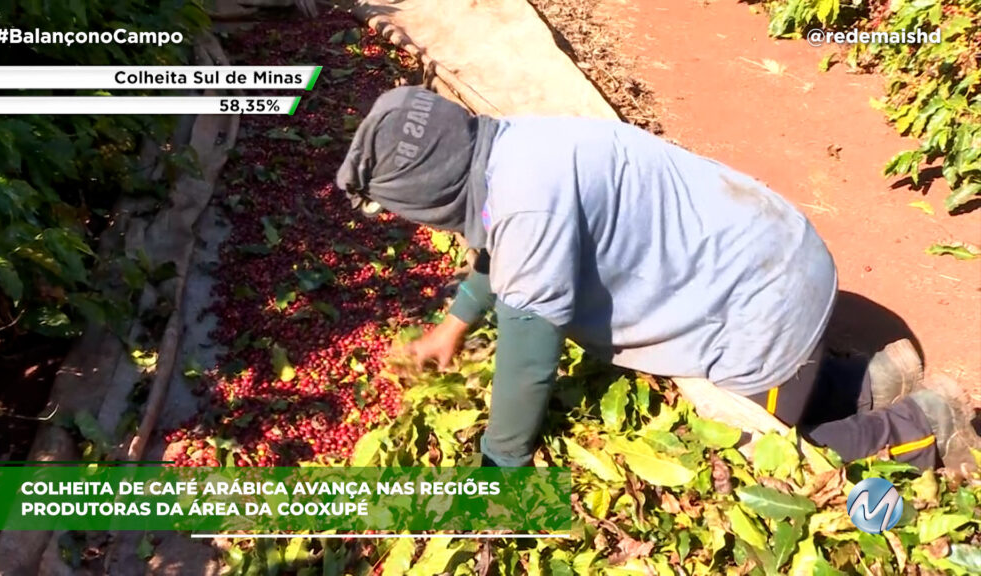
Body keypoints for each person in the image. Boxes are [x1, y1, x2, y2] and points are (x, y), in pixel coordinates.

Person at [335, 85, 979, 472]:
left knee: (773, 456)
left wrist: (502, 469)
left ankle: (927, 422)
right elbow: (500, 248)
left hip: (762, 301)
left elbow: (528, 363)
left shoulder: (526, 204)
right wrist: (454, 327)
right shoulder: (512, 144)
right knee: (784, 394)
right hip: (777, 249)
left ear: (429, 193)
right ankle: (874, 377)